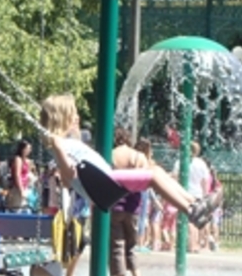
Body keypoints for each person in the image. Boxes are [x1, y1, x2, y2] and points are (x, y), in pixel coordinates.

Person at [39, 94, 220, 229]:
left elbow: (67, 179)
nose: (78, 118)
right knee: (153, 176)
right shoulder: (60, 144)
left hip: (105, 182)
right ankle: (191, 210)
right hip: (104, 185)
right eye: (74, 114)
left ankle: (195, 203)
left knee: (155, 171)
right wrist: (60, 150)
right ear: (62, 118)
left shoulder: (65, 143)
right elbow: (68, 175)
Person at [107, 127, 148, 276]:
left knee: (117, 248)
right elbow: (145, 181)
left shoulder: (109, 155)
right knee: (131, 248)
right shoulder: (138, 156)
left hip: (114, 205)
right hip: (133, 206)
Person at [172, 142, 211, 253]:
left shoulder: (180, 162)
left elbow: (174, 178)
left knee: (186, 221)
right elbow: (205, 181)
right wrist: (205, 195)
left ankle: (190, 245)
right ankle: (195, 244)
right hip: (198, 194)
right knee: (195, 221)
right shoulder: (201, 164)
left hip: (184, 194)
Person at [6, 139, 33, 213]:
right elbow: (17, 175)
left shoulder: (27, 161)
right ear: (22, 149)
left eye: (30, 149)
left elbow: (27, 173)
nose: (29, 150)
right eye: (28, 148)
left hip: (25, 187)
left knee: (26, 209)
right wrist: (21, 190)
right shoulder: (18, 159)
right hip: (18, 188)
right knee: (17, 209)